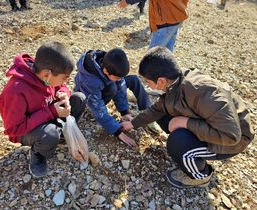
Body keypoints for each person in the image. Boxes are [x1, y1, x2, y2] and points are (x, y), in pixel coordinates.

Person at [121, 47, 254, 188]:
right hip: (214, 126)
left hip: (233, 140)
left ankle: (201, 176)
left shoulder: (203, 92)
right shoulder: (175, 82)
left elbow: (231, 136)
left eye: (147, 81)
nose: (146, 84)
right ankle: (186, 149)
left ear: (161, 81)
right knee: (164, 115)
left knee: (177, 142)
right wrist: (133, 124)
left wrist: (185, 123)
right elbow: (158, 109)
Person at [0, 41, 86, 177]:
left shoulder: (45, 73)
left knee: (79, 98)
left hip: (46, 113)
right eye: (64, 78)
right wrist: (52, 112)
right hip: (26, 129)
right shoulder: (16, 91)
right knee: (50, 133)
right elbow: (14, 129)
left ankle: (61, 136)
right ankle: (38, 154)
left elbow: (60, 87)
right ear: (47, 74)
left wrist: (64, 94)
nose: (66, 82)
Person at [74, 48, 161, 147]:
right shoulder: (90, 80)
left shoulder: (111, 64)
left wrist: (124, 112)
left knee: (134, 80)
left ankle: (147, 111)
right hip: (89, 97)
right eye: (117, 77)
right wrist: (117, 131)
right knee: (113, 87)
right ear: (106, 71)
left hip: (106, 84)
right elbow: (98, 109)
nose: (119, 79)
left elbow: (121, 84)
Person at [118, 0, 189, 52]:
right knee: (167, 53)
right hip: (177, 15)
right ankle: (167, 71)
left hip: (165, 20)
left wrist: (127, 1)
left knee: (151, 57)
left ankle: (149, 72)